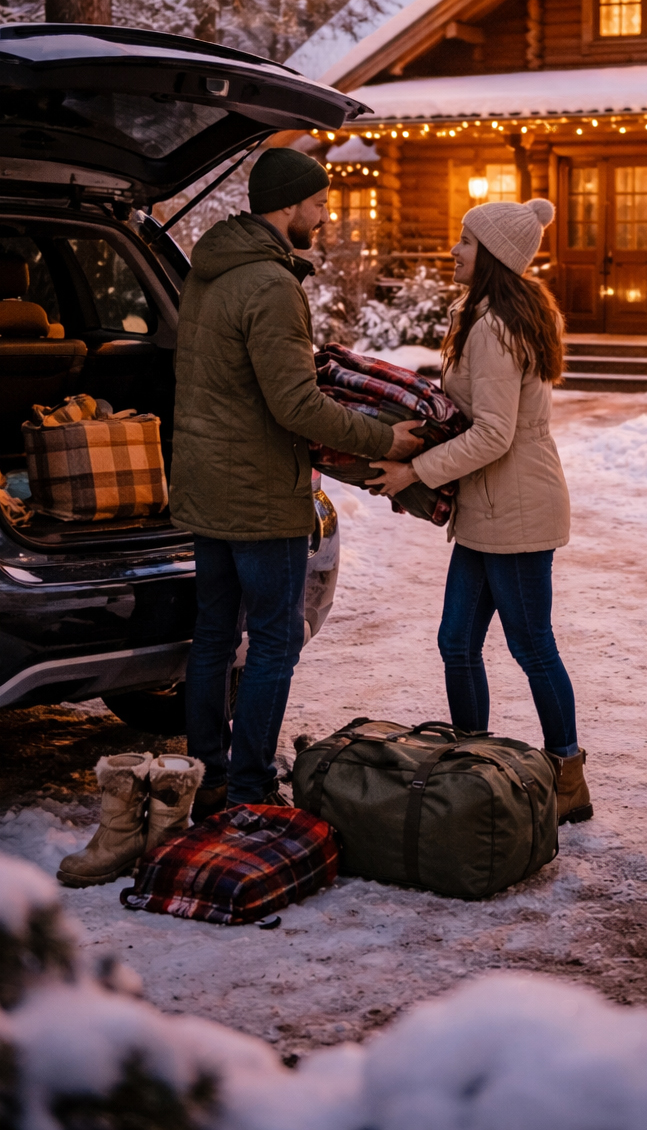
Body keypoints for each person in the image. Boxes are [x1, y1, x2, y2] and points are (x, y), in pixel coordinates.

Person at [170, 147, 419, 816]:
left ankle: (208, 777)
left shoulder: (212, 272)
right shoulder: (271, 284)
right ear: (286, 206)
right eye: (317, 205)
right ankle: (249, 787)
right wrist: (383, 438)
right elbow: (296, 405)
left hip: (206, 485)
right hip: (256, 493)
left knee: (214, 636)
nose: (325, 216)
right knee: (276, 641)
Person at [370, 198, 592, 825]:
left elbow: (494, 432)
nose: (454, 251)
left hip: (516, 511)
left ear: (490, 254)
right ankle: (471, 767)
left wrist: (415, 472)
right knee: (458, 641)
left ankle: (568, 775)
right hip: (489, 510)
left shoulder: (496, 326)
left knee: (531, 646)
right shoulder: (490, 314)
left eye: (464, 242)